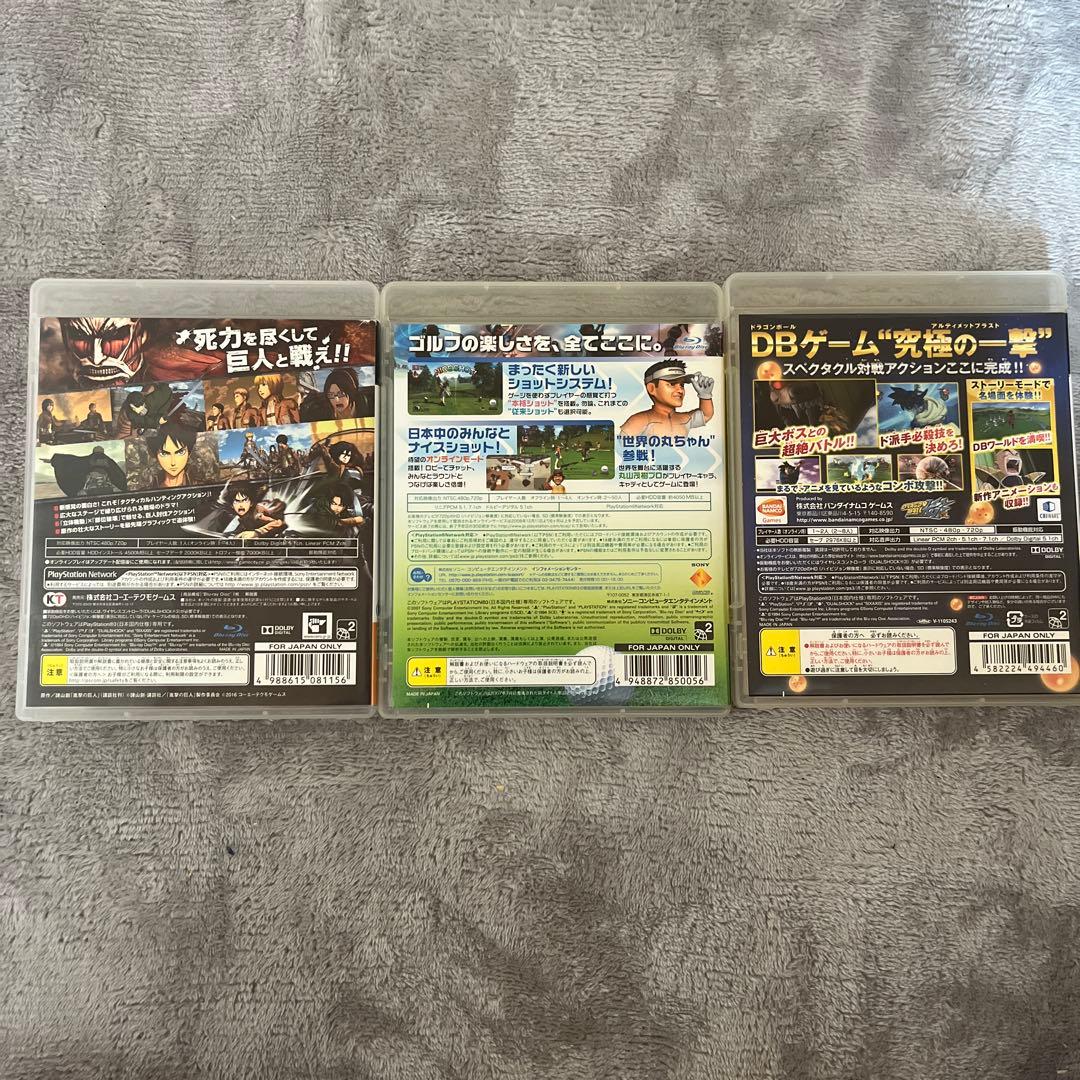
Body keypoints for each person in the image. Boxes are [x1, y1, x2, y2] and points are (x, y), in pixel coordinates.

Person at [619, 359, 714, 437]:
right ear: (652, 388)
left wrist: (705, 396)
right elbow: (621, 446)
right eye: (672, 384)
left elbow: (706, 415)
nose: (680, 390)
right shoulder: (639, 420)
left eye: (682, 385)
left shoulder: (684, 419)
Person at [148, 422, 197, 488]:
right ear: (156, 455)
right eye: (164, 454)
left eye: (180, 452)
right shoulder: (149, 488)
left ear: (189, 453)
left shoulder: (201, 485)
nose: (173, 463)